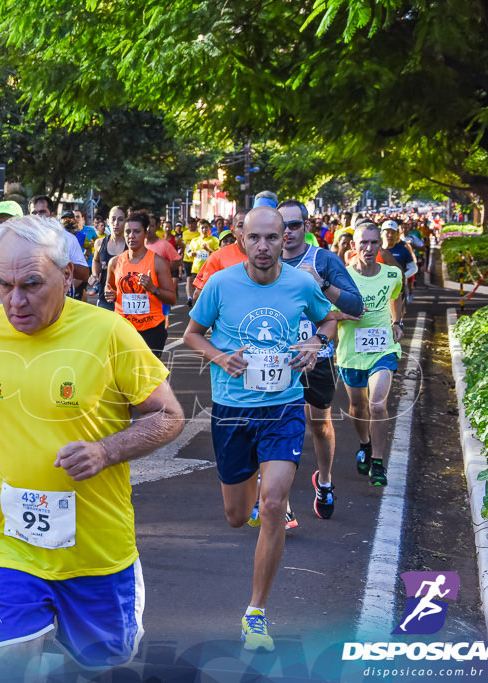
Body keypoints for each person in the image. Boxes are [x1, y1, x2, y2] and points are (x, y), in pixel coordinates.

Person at [0, 215, 184, 679]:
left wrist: (105, 451)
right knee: (9, 662)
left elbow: (170, 415)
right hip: (7, 540)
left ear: (67, 275)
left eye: (32, 284)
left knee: (106, 666)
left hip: (95, 551)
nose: (15, 300)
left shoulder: (109, 333)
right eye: (5, 284)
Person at [183, 206, 336, 652]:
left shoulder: (302, 282)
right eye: (256, 238)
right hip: (232, 411)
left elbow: (328, 319)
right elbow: (193, 333)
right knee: (237, 516)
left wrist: (317, 341)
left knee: (272, 506)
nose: (266, 246)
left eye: (274, 237)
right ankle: (250, 494)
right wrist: (219, 356)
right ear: (241, 238)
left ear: (285, 238)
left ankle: (256, 613)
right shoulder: (221, 283)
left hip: (283, 408)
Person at [278, 200, 363, 519]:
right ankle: (279, 500)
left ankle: (324, 481)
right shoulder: (264, 260)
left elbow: (356, 307)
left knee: (319, 424)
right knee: (279, 425)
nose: (287, 232)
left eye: (294, 225)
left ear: (307, 227)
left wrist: (323, 284)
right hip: (277, 359)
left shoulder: (323, 259)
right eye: (281, 225)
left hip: (318, 356)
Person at [337, 221, 405, 488]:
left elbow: (395, 297)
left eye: (373, 243)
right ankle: (364, 443)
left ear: (380, 245)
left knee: (377, 405)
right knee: (358, 407)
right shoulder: (342, 277)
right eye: (362, 243)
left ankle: (377, 461)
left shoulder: (391, 275)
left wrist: (396, 322)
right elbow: (326, 314)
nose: (368, 248)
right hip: (351, 353)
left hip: (383, 350)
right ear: (354, 246)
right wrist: (343, 314)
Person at [104, 212, 177, 356]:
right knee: (124, 375)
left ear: (145, 233)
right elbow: (110, 288)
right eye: (128, 232)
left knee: (147, 375)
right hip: (123, 328)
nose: (131, 236)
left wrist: (153, 289)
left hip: (152, 329)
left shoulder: (158, 262)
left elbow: (172, 298)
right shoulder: (115, 262)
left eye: (137, 232)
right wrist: (109, 293)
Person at [191, 210, 249, 304]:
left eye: (250, 225)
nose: (246, 229)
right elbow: (198, 295)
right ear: (233, 232)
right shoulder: (218, 257)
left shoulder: (268, 257)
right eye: (241, 225)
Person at [28, 196, 90, 284]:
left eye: (42, 212)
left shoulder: (67, 238)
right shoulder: (23, 239)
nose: (38, 216)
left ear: (52, 214)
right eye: (34, 213)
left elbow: (84, 274)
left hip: (59, 295)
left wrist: (59, 262)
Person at [90, 206, 128, 310]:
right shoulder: (99, 243)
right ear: (108, 221)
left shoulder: (131, 245)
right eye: (113, 219)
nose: (116, 223)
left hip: (126, 300)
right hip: (105, 298)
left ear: (126, 221)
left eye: (120, 219)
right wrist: (94, 275)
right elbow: (96, 260)